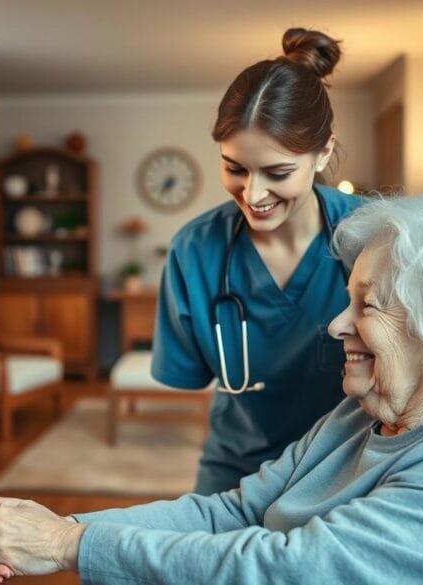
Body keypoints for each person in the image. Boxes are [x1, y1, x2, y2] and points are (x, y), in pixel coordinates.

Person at [0, 193, 423, 584]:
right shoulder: (366, 413)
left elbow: (288, 570)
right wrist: (59, 526)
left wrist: (68, 545)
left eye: (367, 305)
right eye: (348, 298)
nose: (337, 323)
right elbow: (230, 511)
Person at [153, 27, 365, 495]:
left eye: (278, 172)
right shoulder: (195, 251)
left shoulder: (374, 237)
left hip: (351, 472)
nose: (253, 194)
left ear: (324, 151)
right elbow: (186, 376)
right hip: (236, 478)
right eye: (235, 168)